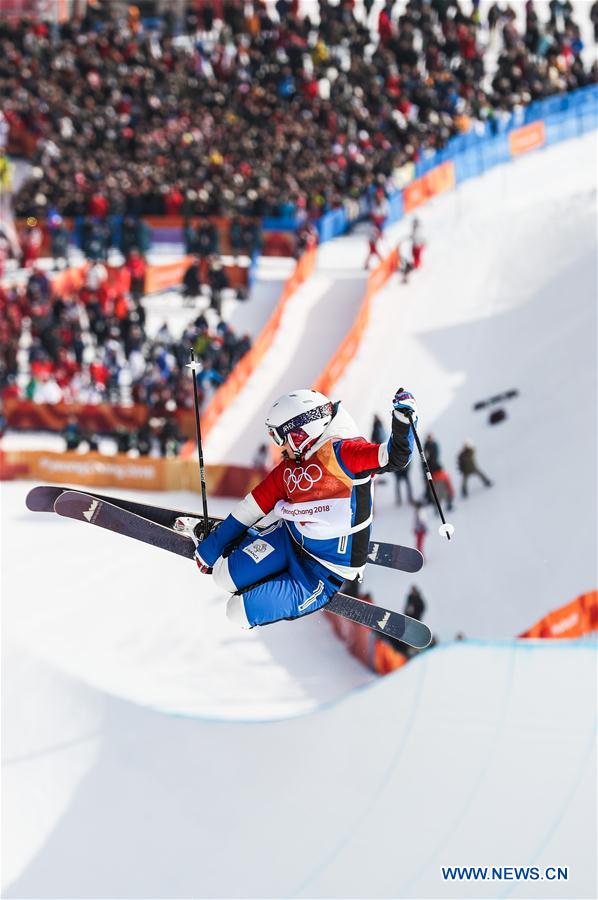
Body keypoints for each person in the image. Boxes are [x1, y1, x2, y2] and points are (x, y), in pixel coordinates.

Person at [183, 388, 418, 629]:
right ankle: (250, 548)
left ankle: (277, 584)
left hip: (318, 574)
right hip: (289, 539)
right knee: (222, 577)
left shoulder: (344, 454)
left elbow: (395, 457)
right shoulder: (290, 467)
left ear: (300, 433)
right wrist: (211, 548)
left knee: (236, 612)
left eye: (280, 437)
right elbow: (252, 506)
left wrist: (403, 419)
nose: (279, 447)